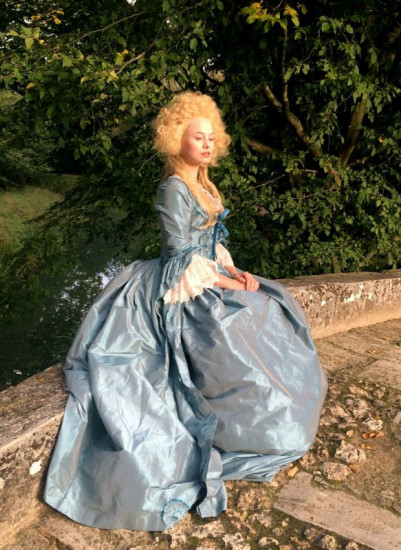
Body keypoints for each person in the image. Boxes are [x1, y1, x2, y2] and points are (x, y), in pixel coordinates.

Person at [43, 91, 327, 531]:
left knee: (273, 304)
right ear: (178, 140)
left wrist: (235, 271)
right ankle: (234, 424)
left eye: (211, 137)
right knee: (233, 325)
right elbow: (180, 257)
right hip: (179, 289)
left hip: (207, 274)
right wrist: (227, 282)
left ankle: (263, 418)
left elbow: (210, 247)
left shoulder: (205, 185)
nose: (207, 144)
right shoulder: (173, 188)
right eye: (198, 137)